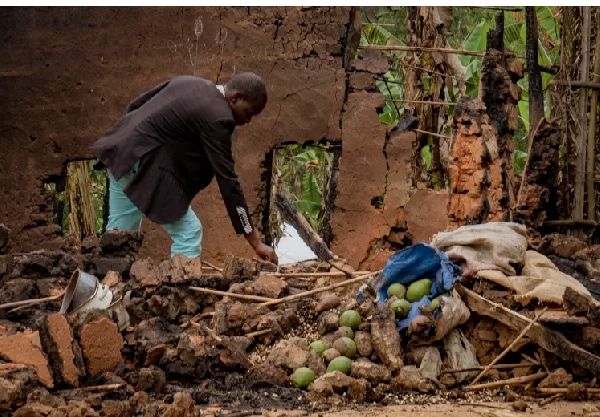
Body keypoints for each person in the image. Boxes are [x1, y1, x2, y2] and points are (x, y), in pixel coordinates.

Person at [91, 73, 278, 265]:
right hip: (142, 165)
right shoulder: (219, 117)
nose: (248, 121)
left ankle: (108, 288)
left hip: (121, 152)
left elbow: (136, 105)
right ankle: (179, 291)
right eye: (248, 113)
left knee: (119, 237)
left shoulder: (190, 82)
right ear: (236, 98)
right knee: (189, 232)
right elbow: (228, 181)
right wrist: (255, 243)